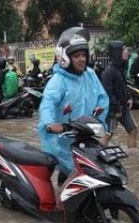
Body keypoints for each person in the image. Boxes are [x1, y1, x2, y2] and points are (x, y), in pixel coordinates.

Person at [38, 27, 109, 184]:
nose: (82, 59)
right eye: (77, 56)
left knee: (82, 175)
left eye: (84, 55)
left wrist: (99, 124)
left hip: (84, 136)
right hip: (61, 138)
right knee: (50, 176)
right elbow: (47, 103)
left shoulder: (89, 75)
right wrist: (50, 123)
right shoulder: (58, 81)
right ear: (64, 58)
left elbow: (102, 100)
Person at [100, 41, 138, 149]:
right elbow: (107, 94)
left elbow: (124, 87)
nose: (127, 51)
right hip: (114, 110)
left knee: (133, 130)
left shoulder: (121, 68)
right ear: (117, 52)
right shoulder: (108, 72)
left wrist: (129, 97)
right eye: (124, 49)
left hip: (123, 107)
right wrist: (117, 109)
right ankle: (97, 157)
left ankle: (132, 156)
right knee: (108, 135)